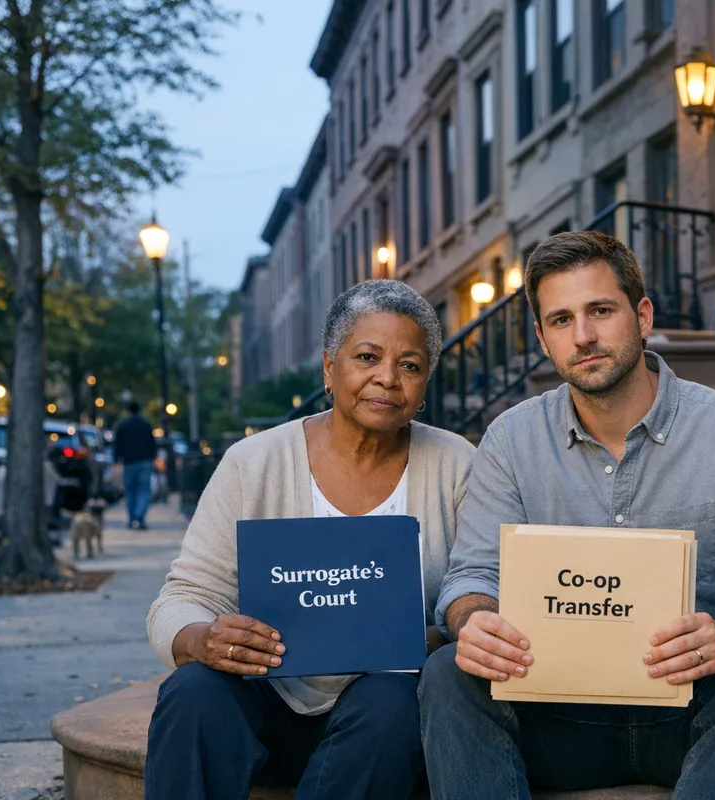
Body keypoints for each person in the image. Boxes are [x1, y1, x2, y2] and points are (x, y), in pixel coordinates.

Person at [419, 231, 715, 800]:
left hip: (694, 711)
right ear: (542, 338)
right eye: (561, 320)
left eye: (600, 311)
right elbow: (471, 579)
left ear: (642, 316)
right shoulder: (512, 439)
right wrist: (475, 623)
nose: (584, 336)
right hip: (557, 711)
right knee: (448, 673)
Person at [145, 281, 475, 800]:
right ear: (329, 367)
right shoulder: (254, 463)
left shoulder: (455, 465)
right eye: (367, 356)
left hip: (382, 722)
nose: (387, 378)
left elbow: (479, 586)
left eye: (409, 365)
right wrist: (198, 638)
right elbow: (183, 596)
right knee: (192, 691)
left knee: (394, 697)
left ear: (425, 381)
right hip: (263, 701)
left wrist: (431, 638)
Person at [113, 401, 157, 529]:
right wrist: (153, 457)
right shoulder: (146, 425)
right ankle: (140, 516)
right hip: (145, 461)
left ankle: (132, 517)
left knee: (130, 490)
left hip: (129, 462)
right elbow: (152, 443)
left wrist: (116, 460)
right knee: (144, 490)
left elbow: (117, 445)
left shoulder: (123, 426)